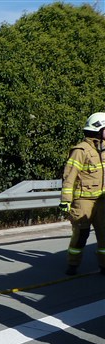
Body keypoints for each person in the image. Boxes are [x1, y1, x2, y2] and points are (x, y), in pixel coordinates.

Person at [60, 111, 105, 275]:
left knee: (104, 236)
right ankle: (73, 264)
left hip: (101, 201)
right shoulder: (81, 150)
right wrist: (66, 200)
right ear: (98, 130)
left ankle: (104, 265)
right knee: (81, 234)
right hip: (83, 201)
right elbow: (69, 176)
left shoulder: (103, 150)